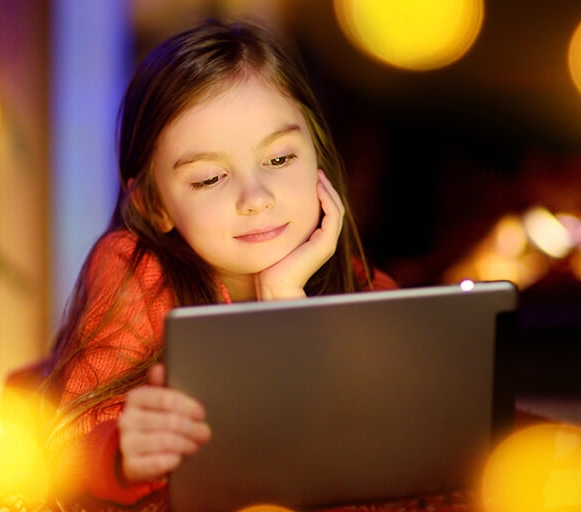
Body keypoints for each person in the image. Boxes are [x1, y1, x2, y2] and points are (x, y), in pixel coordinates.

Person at [41, 19, 398, 507]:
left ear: (318, 154)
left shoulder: (362, 287)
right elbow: (66, 443)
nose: (256, 198)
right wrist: (122, 451)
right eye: (210, 179)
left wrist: (285, 302)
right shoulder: (135, 269)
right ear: (153, 205)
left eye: (279, 160)